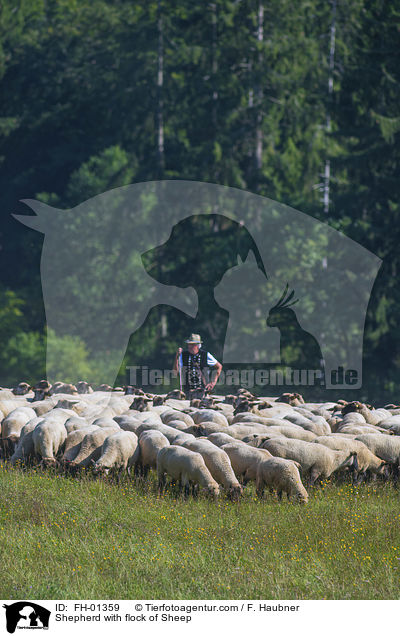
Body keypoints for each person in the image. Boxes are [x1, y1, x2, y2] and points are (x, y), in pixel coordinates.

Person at [173, 334, 222, 399]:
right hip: (188, 393)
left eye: (192, 344)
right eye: (189, 344)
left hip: (203, 393)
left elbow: (219, 367)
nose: (189, 346)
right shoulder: (183, 355)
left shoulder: (206, 355)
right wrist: (177, 357)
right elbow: (175, 372)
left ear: (197, 345)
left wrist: (213, 382)